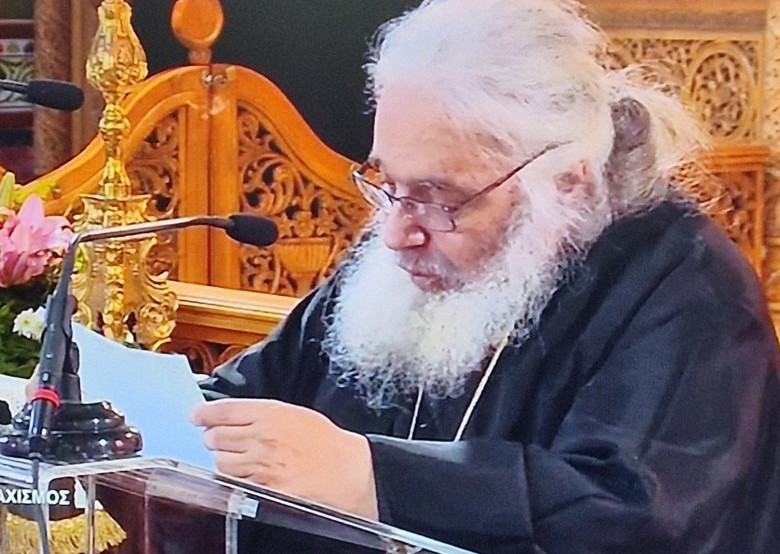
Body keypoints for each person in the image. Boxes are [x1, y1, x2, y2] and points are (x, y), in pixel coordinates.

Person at [189, 0, 780, 552]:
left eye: (439, 197)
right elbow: (253, 391)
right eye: (387, 185)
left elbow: (630, 516)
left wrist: (375, 478)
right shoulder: (408, 253)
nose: (395, 233)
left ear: (566, 183)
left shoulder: (688, 290)